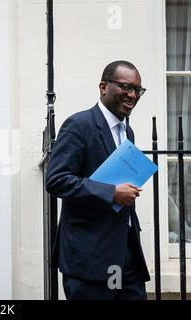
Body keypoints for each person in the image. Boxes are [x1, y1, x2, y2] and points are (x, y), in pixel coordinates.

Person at [46, 60, 150, 300]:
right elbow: (57, 180)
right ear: (104, 87)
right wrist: (111, 193)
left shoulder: (127, 131)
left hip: (126, 253)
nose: (132, 95)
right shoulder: (79, 125)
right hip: (89, 256)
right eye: (125, 87)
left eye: (137, 90)